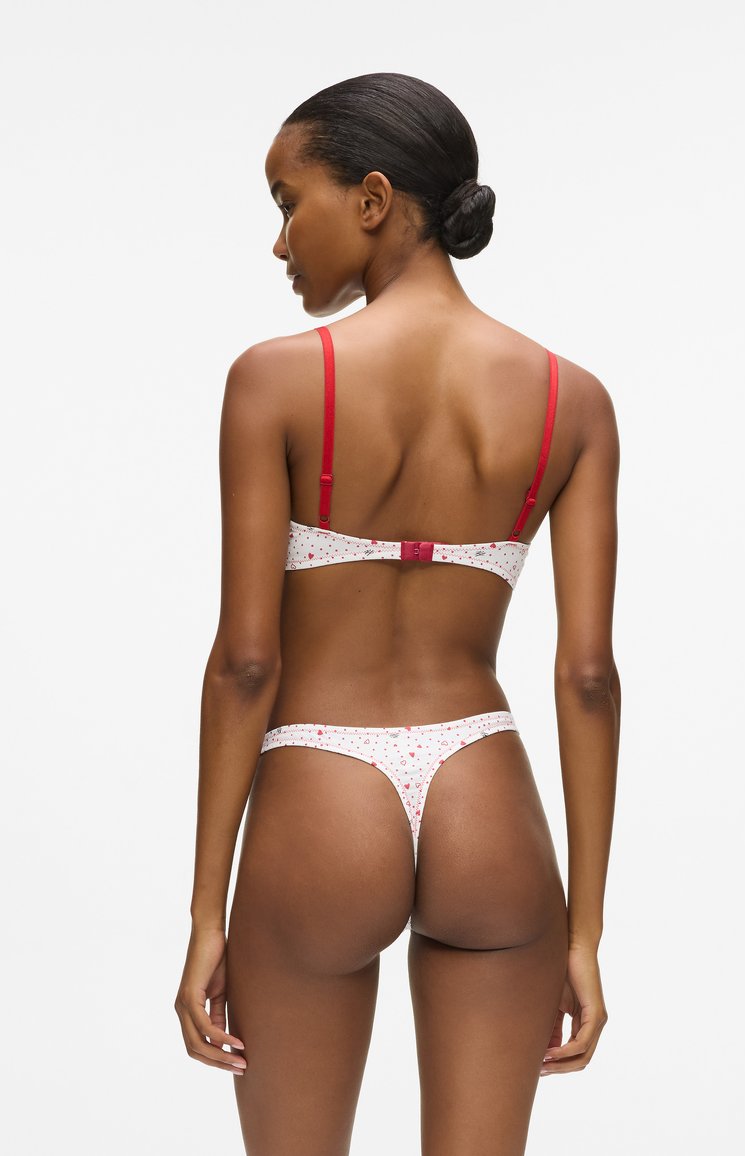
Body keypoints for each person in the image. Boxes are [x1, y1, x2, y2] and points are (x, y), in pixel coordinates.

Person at [175, 72, 621, 1155]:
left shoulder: (274, 382)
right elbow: (587, 677)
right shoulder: (573, 400)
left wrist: (203, 915)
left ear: (372, 199)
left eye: (289, 203)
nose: (280, 242)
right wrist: (584, 931)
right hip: (488, 797)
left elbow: (245, 663)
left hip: (320, 795)